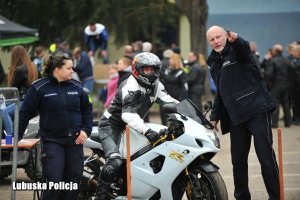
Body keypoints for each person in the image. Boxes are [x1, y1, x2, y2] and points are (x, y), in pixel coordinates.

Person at [206, 26, 280, 200]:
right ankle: (242, 196)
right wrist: (215, 117)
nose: (216, 41)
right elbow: (220, 92)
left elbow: (244, 48)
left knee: (266, 158)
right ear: (209, 42)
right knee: (238, 161)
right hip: (236, 117)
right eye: (212, 39)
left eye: (219, 37)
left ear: (226, 36)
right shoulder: (213, 62)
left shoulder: (238, 51)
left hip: (257, 110)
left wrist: (237, 39)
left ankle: (275, 196)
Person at [95, 52, 178, 199]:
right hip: (111, 126)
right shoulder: (130, 85)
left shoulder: (156, 85)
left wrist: (192, 114)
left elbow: (170, 101)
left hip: (133, 125)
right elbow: (127, 115)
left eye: (153, 69)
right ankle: (100, 196)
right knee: (114, 161)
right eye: (146, 69)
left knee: (145, 158)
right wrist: (147, 131)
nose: (150, 72)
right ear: (137, 69)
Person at [18, 52, 93, 200]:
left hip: (75, 141)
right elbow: (25, 113)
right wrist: (17, 137)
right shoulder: (39, 88)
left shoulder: (77, 87)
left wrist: (86, 130)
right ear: (58, 69)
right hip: (52, 141)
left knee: (73, 181)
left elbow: (87, 110)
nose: (72, 71)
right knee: (54, 181)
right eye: (69, 68)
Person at [1, 45, 38, 136]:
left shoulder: (20, 70)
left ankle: (11, 137)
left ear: (15, 56)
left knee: (4, 111)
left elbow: (12, 88)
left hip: (23, 101)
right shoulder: (33, 67)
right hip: (31, 100)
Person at [264, 44, 293, 128]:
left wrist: (269, 85)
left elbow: (269, 75)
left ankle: (275, 124)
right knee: (286, 105)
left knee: (275, 104)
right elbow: (292, 73)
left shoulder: (273, 61)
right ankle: (288, 123)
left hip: (276, 86)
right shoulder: (287, 60)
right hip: (286, 85)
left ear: (275, 51)